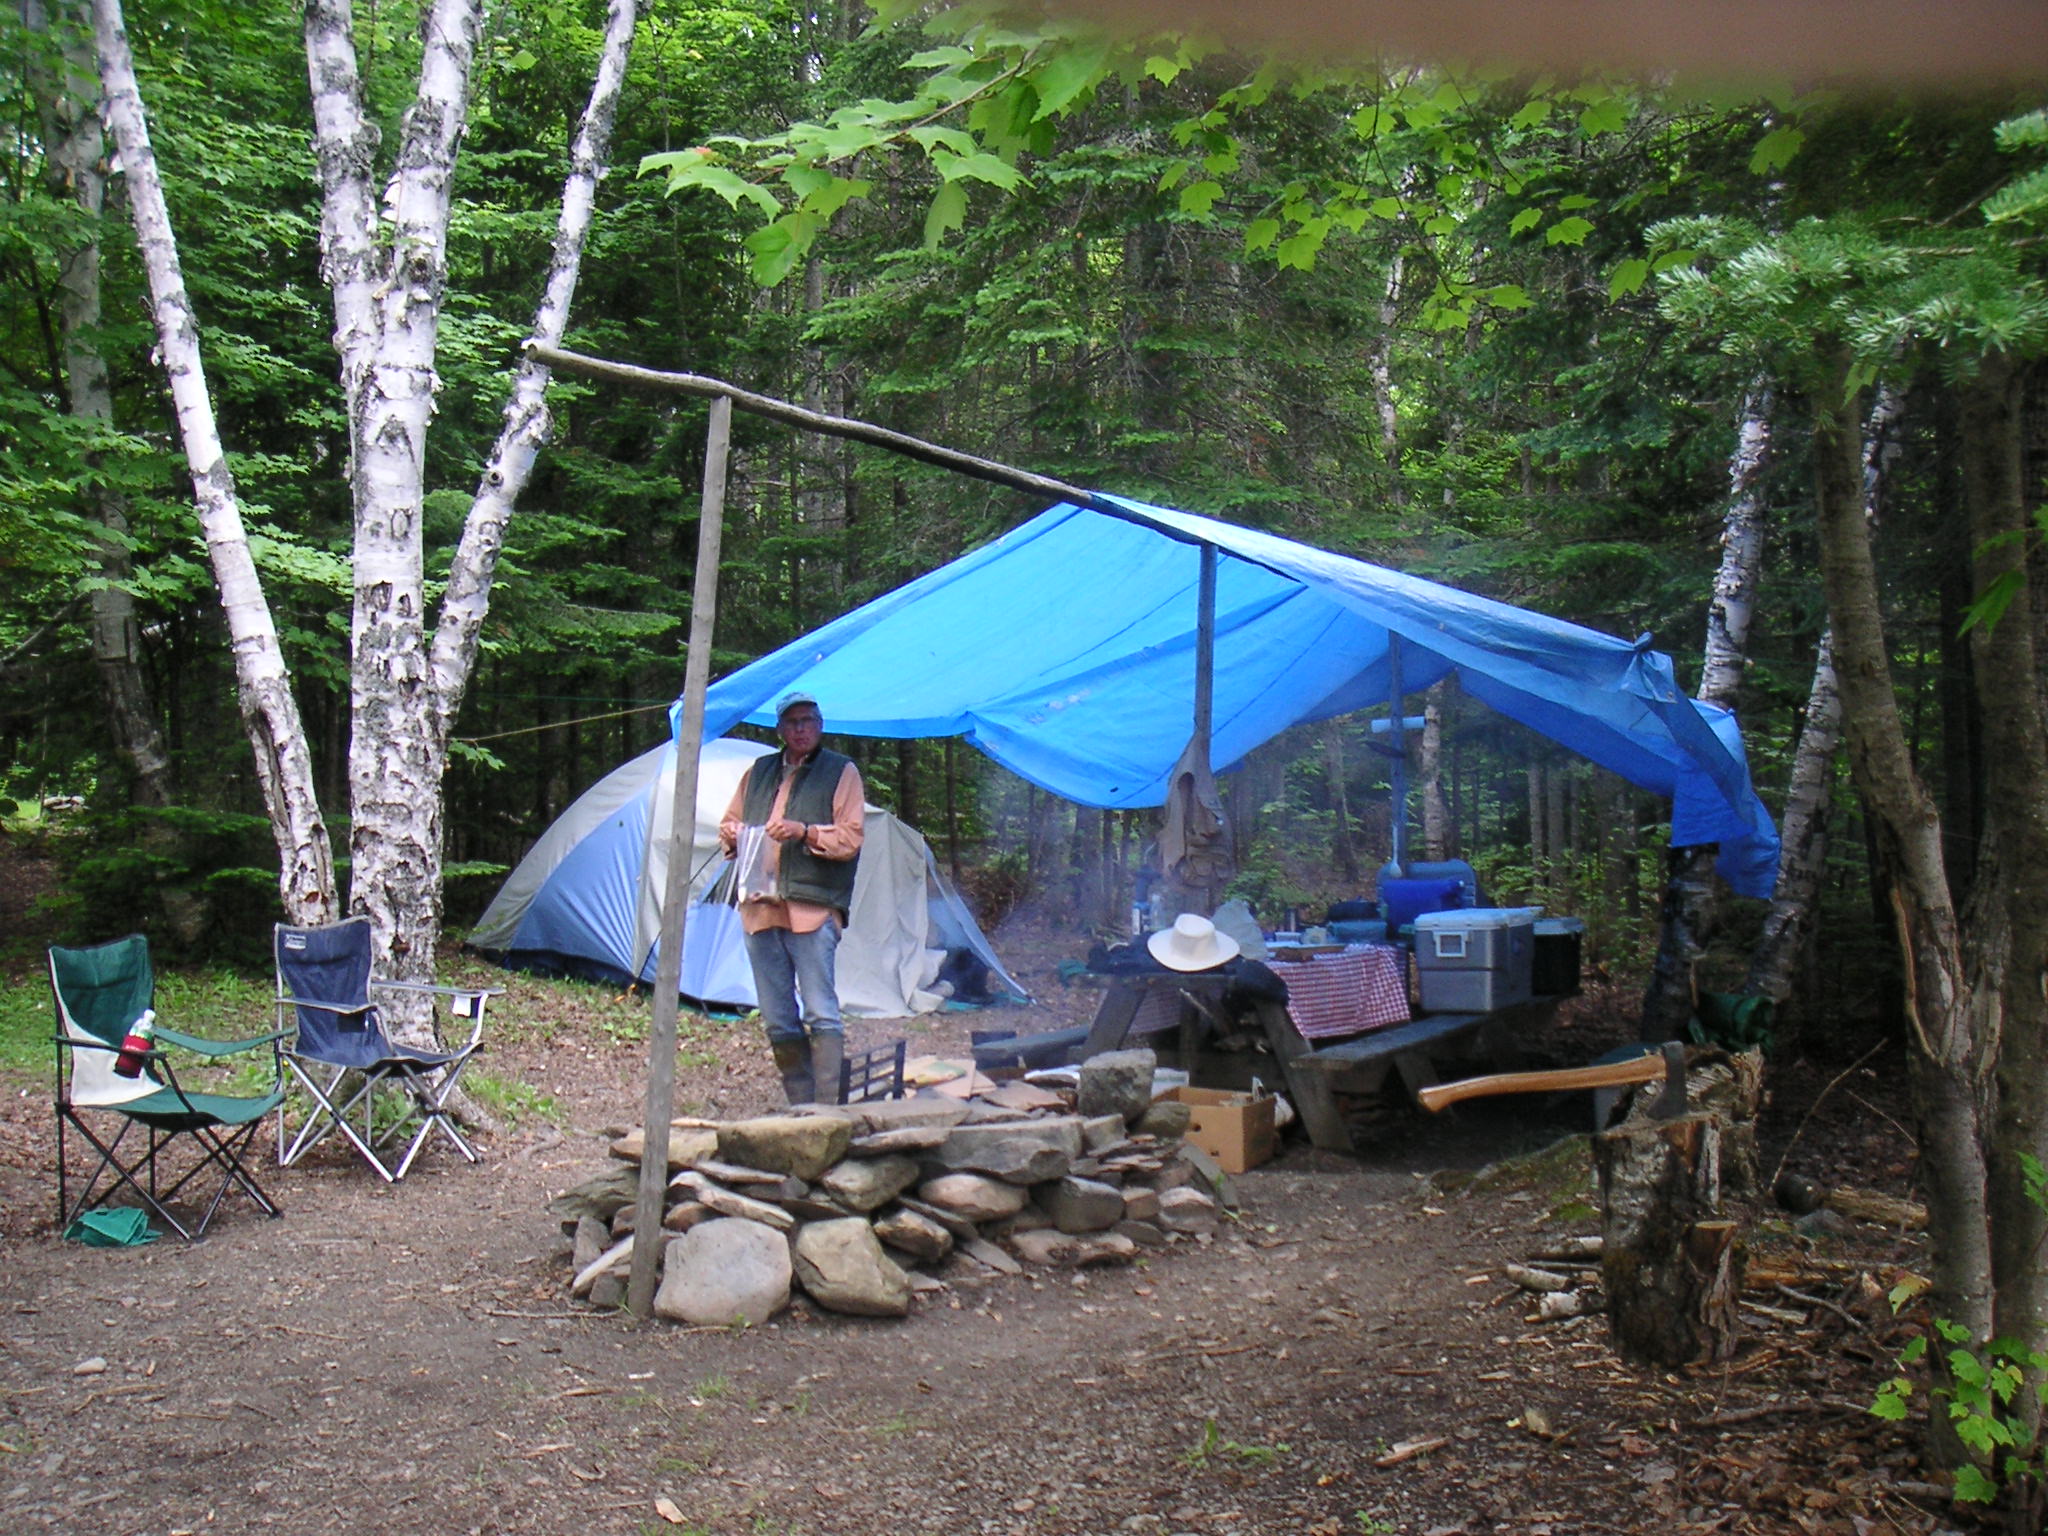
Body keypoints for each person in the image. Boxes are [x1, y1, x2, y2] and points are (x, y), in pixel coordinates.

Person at [719, 692, 864, 1105]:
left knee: (820, 1009)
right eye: (793, 722)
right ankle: (800, 1104)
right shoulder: (759, 771)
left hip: (811, 906)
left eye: (809, 720)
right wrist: (732, 834)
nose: (801, 729)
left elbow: (851, 837)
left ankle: (827, 1108)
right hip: (760, 906)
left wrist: (805, 831)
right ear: (780, 729)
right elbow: (729, 823)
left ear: (820, 726)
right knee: (777, 1015)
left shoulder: (841, 771)